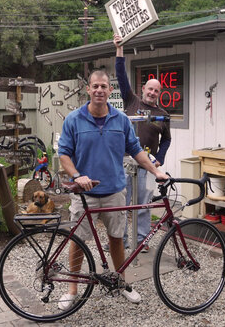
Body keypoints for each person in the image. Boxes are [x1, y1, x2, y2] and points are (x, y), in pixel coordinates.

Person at [58, 68, 168, 310]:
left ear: (110, 90)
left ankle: (121, 283)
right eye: (95, 86)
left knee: (117, 240)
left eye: (103, 86)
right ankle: (72, 290)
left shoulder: (120, 119)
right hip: (84, 193)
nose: (99, 90)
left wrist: (155, 170)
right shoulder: (73, 119)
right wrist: (77, 176)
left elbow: (136, 150)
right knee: (78, 241)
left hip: (115, 191)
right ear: (88, 89)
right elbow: (63, 154)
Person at [104, 33, 171, 253]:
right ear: (143, 89)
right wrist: (119, 49)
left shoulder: (162, 114)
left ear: (159, 94)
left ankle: (142, 241)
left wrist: (159, 159)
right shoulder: (131, 100)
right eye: (149, 89)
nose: (152, 92)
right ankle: (120, 241)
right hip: (124, 162)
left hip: (146, 165)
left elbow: (167, 139)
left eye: (156, 91)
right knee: (122, 205)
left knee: (143, 205)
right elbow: (121, 76)